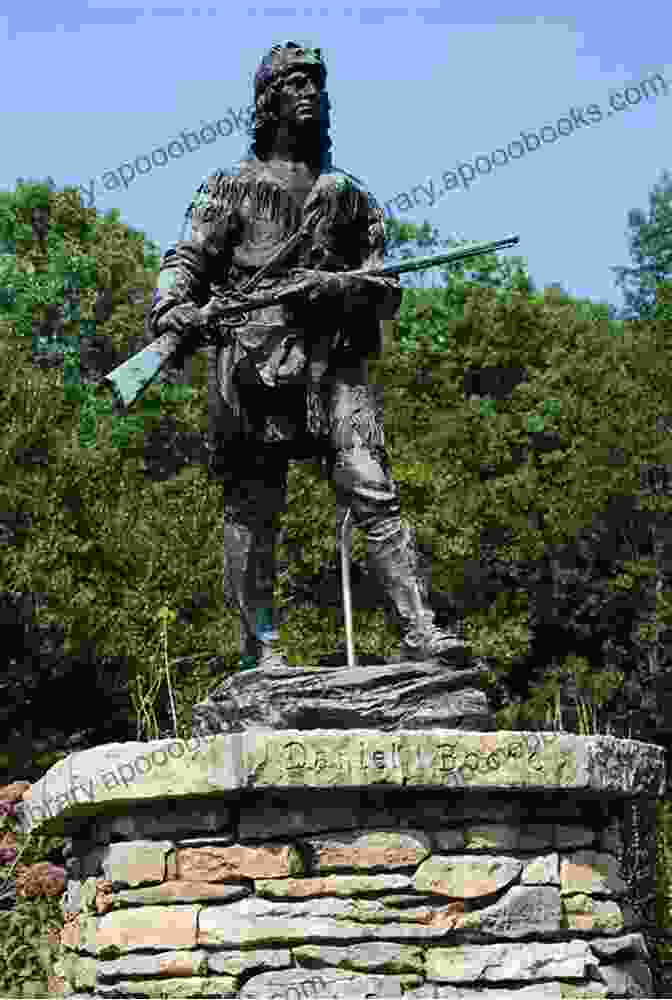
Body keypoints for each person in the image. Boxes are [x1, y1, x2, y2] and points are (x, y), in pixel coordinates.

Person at [148, 40, 469, 670]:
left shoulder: (348, 195)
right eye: (294, 82)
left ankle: (421, 631)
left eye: (316, 83)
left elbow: (386, 285)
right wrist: (174, 311)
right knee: (254, 509)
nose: (309, 93)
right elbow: (184, 260)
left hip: (333, 365)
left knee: (373, 490)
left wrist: (338, 284)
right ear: (268, 99)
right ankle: (261, 649)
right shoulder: (230, 187)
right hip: (253, 364)